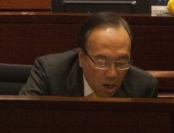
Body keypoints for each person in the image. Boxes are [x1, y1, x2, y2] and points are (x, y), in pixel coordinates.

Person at [18, 12, 159, 98]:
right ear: (82, 58)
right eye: (102, 62)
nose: (112, 74)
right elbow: (18, 120)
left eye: (121, 63)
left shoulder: (144, 87)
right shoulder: (50, 73)